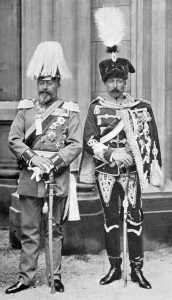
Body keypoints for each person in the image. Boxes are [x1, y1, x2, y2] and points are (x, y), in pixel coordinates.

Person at [82, 7, 163, 289]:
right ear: (104, 83)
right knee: (110, 221)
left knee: (136, 219)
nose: (115, 85)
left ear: (126, 81)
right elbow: (89, 140)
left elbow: (151, 139)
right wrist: (112, 152)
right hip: (106, 172)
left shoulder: (141, 107)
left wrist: (150, 168)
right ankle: (115, 267)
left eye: (120, 80)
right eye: (111, 81)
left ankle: (137, 269)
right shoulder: (97, 108)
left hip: (131, 174)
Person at [6, 41, 82, 294]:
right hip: (31, 176)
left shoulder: (70, 111)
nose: (44, 87)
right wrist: (34, 158)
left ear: (58, 83)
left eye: (49, 82)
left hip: (56, 178)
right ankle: (25, 278)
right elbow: (14, 139)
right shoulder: (25, 109)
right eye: (41, 81)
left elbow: (75, 144)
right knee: (29, 230)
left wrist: (54, 162)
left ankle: (55, 276)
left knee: (55, 230)